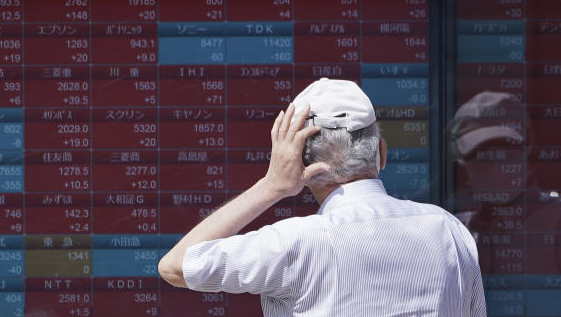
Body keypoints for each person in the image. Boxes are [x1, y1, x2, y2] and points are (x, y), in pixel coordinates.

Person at [158, 77, 486, 316]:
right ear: (381, 154)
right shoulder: (448, 228)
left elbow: (175, 266)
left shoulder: (297, 242)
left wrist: (271, 186)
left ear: (302, 164)